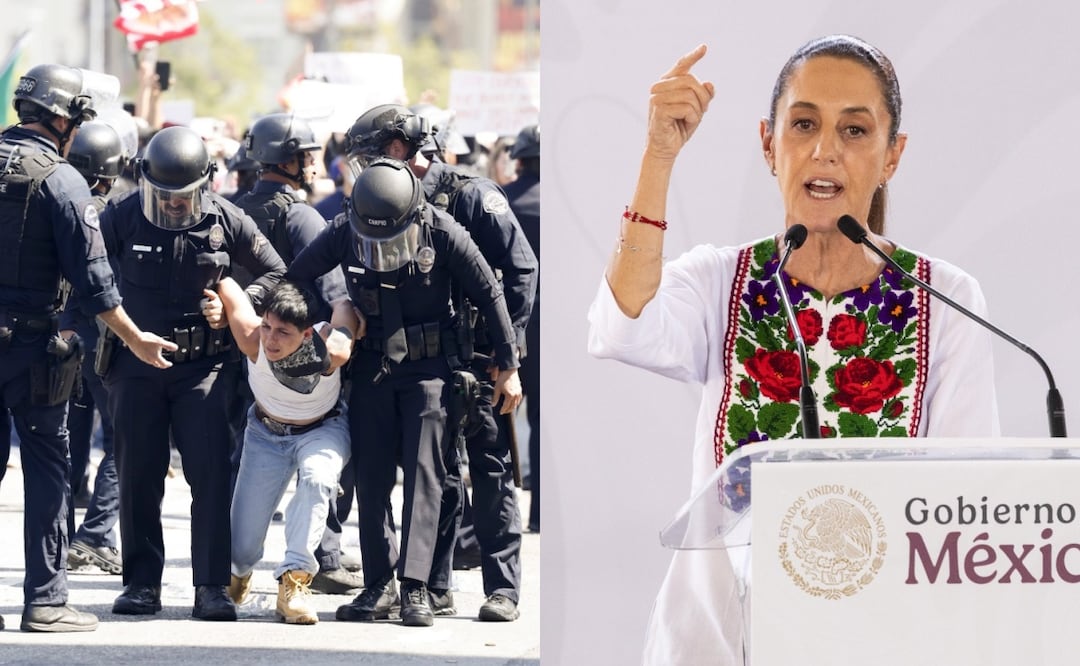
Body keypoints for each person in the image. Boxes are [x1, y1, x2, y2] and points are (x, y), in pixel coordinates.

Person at [587, 36, 1000, 664]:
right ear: (768, 144)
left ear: (893, 156)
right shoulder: (722, 280)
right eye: (803, 124)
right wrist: (659, 156)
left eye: (855, 130)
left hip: (878, 644)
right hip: (717, 642)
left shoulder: (945, 299)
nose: (824, 149)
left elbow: (963, 501)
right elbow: (623, 324)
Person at [286, 156, 523, 627]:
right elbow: (296, 275)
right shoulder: (344, 229)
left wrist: (509, 365)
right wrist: (334, 313)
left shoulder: (443, 230)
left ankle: (416, 587)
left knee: (424, 475)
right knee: (371, 476)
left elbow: (490, 293)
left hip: (430, 368)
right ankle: (379, 584)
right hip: (372, 365)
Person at [0, 63, 177, 633]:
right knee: (48, 473)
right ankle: (45, 601)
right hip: (33, 350)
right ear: (63, 120)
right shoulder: (62, 181)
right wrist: (135, 338)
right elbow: (96, 283)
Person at [345, 103, 537, 622]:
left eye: (369, 157)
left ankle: (502, 589)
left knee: (490, 468)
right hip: (432, 359)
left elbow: (521, 270)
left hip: (482, 358)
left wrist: (507, 355)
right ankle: (435, 583)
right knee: (441, 472)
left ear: (397, 149)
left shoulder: (471, 195)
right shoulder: (383, 199)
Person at [99, 125, 287, 621]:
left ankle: (211, 586)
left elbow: (276, 272)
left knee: (210, 475)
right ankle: (141, 584)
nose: (174, 205)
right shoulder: (121, 216)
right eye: (164, 196)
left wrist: (236, 303)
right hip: (136, 364)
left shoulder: (228, 219)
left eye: (184, 196)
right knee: (139, 475)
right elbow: (87, 273)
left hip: (203, 369)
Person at [232, 112, 357, 595]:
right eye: (306, 156)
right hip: (293, 357)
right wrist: (336, 335)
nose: (312, 164)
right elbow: (333, 292)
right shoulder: (302, 216)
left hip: (244, 353)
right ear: (289, 161)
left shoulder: (234, 208)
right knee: (316, 470)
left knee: (249, 470)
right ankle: (324, 558)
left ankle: (236, 566)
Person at [206, 279, 356, 624]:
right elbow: (228, 285)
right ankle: (238, 575)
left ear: (306, 335)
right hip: (265, 434)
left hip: (322, 429)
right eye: (267, 327)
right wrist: (218, 299)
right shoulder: (252, 340)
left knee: (318, 479)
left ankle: (295, 580)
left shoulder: (328, 351)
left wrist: (337, 304)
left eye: (283, 332)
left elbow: (344, 308)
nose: (270, 339)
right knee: (240, 549)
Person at [60, 120, 127, 576]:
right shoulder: (114, 214)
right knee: (125, 441)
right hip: (106, 341)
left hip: (65, 339)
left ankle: (64, 535)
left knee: (69, 441)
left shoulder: (57, 200)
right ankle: (97, 534)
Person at [501, 124, 540, 533]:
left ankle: (498, 517)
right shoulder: (560, 204)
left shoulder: (503, 200)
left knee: (498, 417)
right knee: (545, 418)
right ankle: (541, 512)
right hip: (551, 325)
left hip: (507, 321)